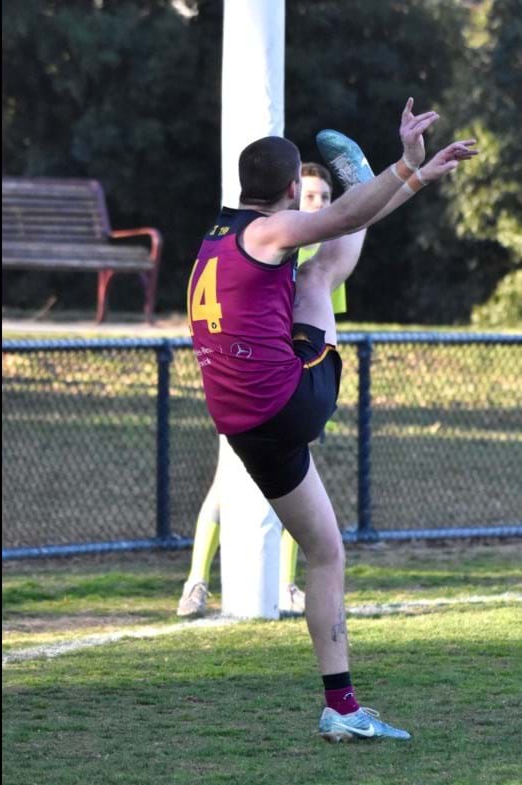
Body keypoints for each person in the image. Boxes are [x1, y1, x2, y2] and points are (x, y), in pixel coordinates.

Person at [185, 97, 476, 741]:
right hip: (288, 403)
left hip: (244, 426)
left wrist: (417, 177)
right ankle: (371, 167)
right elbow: (346, 216)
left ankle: (341, 708)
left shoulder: (220, 235)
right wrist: (403, 165)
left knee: (325, 552)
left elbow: (345, 218)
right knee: (319, 281)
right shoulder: (268, 233)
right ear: (292, 190)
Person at [177, 162, 357, 619]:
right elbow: (336, 244)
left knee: (303, 517)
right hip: (267, 394)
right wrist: (401, 177)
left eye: (324, 198)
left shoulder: (233, 238)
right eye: (309, 196)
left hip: (257, 393)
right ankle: (197, 579)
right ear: (293, 192)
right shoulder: (273, 235)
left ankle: (283, 584)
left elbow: (320, 298)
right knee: (226, 492)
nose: (315, 205)